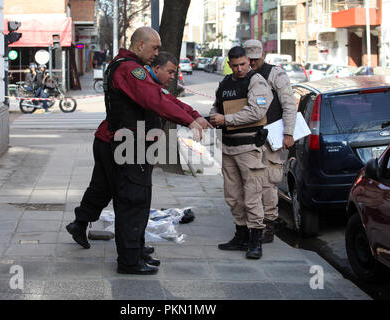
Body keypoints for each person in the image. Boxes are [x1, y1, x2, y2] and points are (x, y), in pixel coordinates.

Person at [66, 27, 211, 275]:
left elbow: (163, 97)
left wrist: (194, 115)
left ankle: (124, 245)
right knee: (133, 201)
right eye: (154, 48)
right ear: (139, 44)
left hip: (120, 141)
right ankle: (130, 260)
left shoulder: (129, 67)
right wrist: (189, 121)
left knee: (106, 191)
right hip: (129, 145)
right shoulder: (130, 70)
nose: (157, 53)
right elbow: (155, 100)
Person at [209, 46, 273, 259]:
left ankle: (256, 241)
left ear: (249, 62)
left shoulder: (257, 82)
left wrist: (226, 120)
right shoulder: (225, 83)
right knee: (233, 196)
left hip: (249, 148)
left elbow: (257, 111)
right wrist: (214, 116)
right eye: (234, 65)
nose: (239, 69)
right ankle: (241, 235)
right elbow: (216, 106)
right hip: (228, 147)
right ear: (229, 64)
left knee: (252, 195)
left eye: (242, 64)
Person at [243, 40, 296, 243]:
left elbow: (289, 105)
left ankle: (268, 224)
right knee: (249, 183)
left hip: (271, 137)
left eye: (256, 59)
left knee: (267, 183)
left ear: (263, 55)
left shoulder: (276, 74)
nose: (253, 63)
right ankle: (253, 222)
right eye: (250, 59)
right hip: (248, 138)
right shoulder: (243, 74)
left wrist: (288, 133)